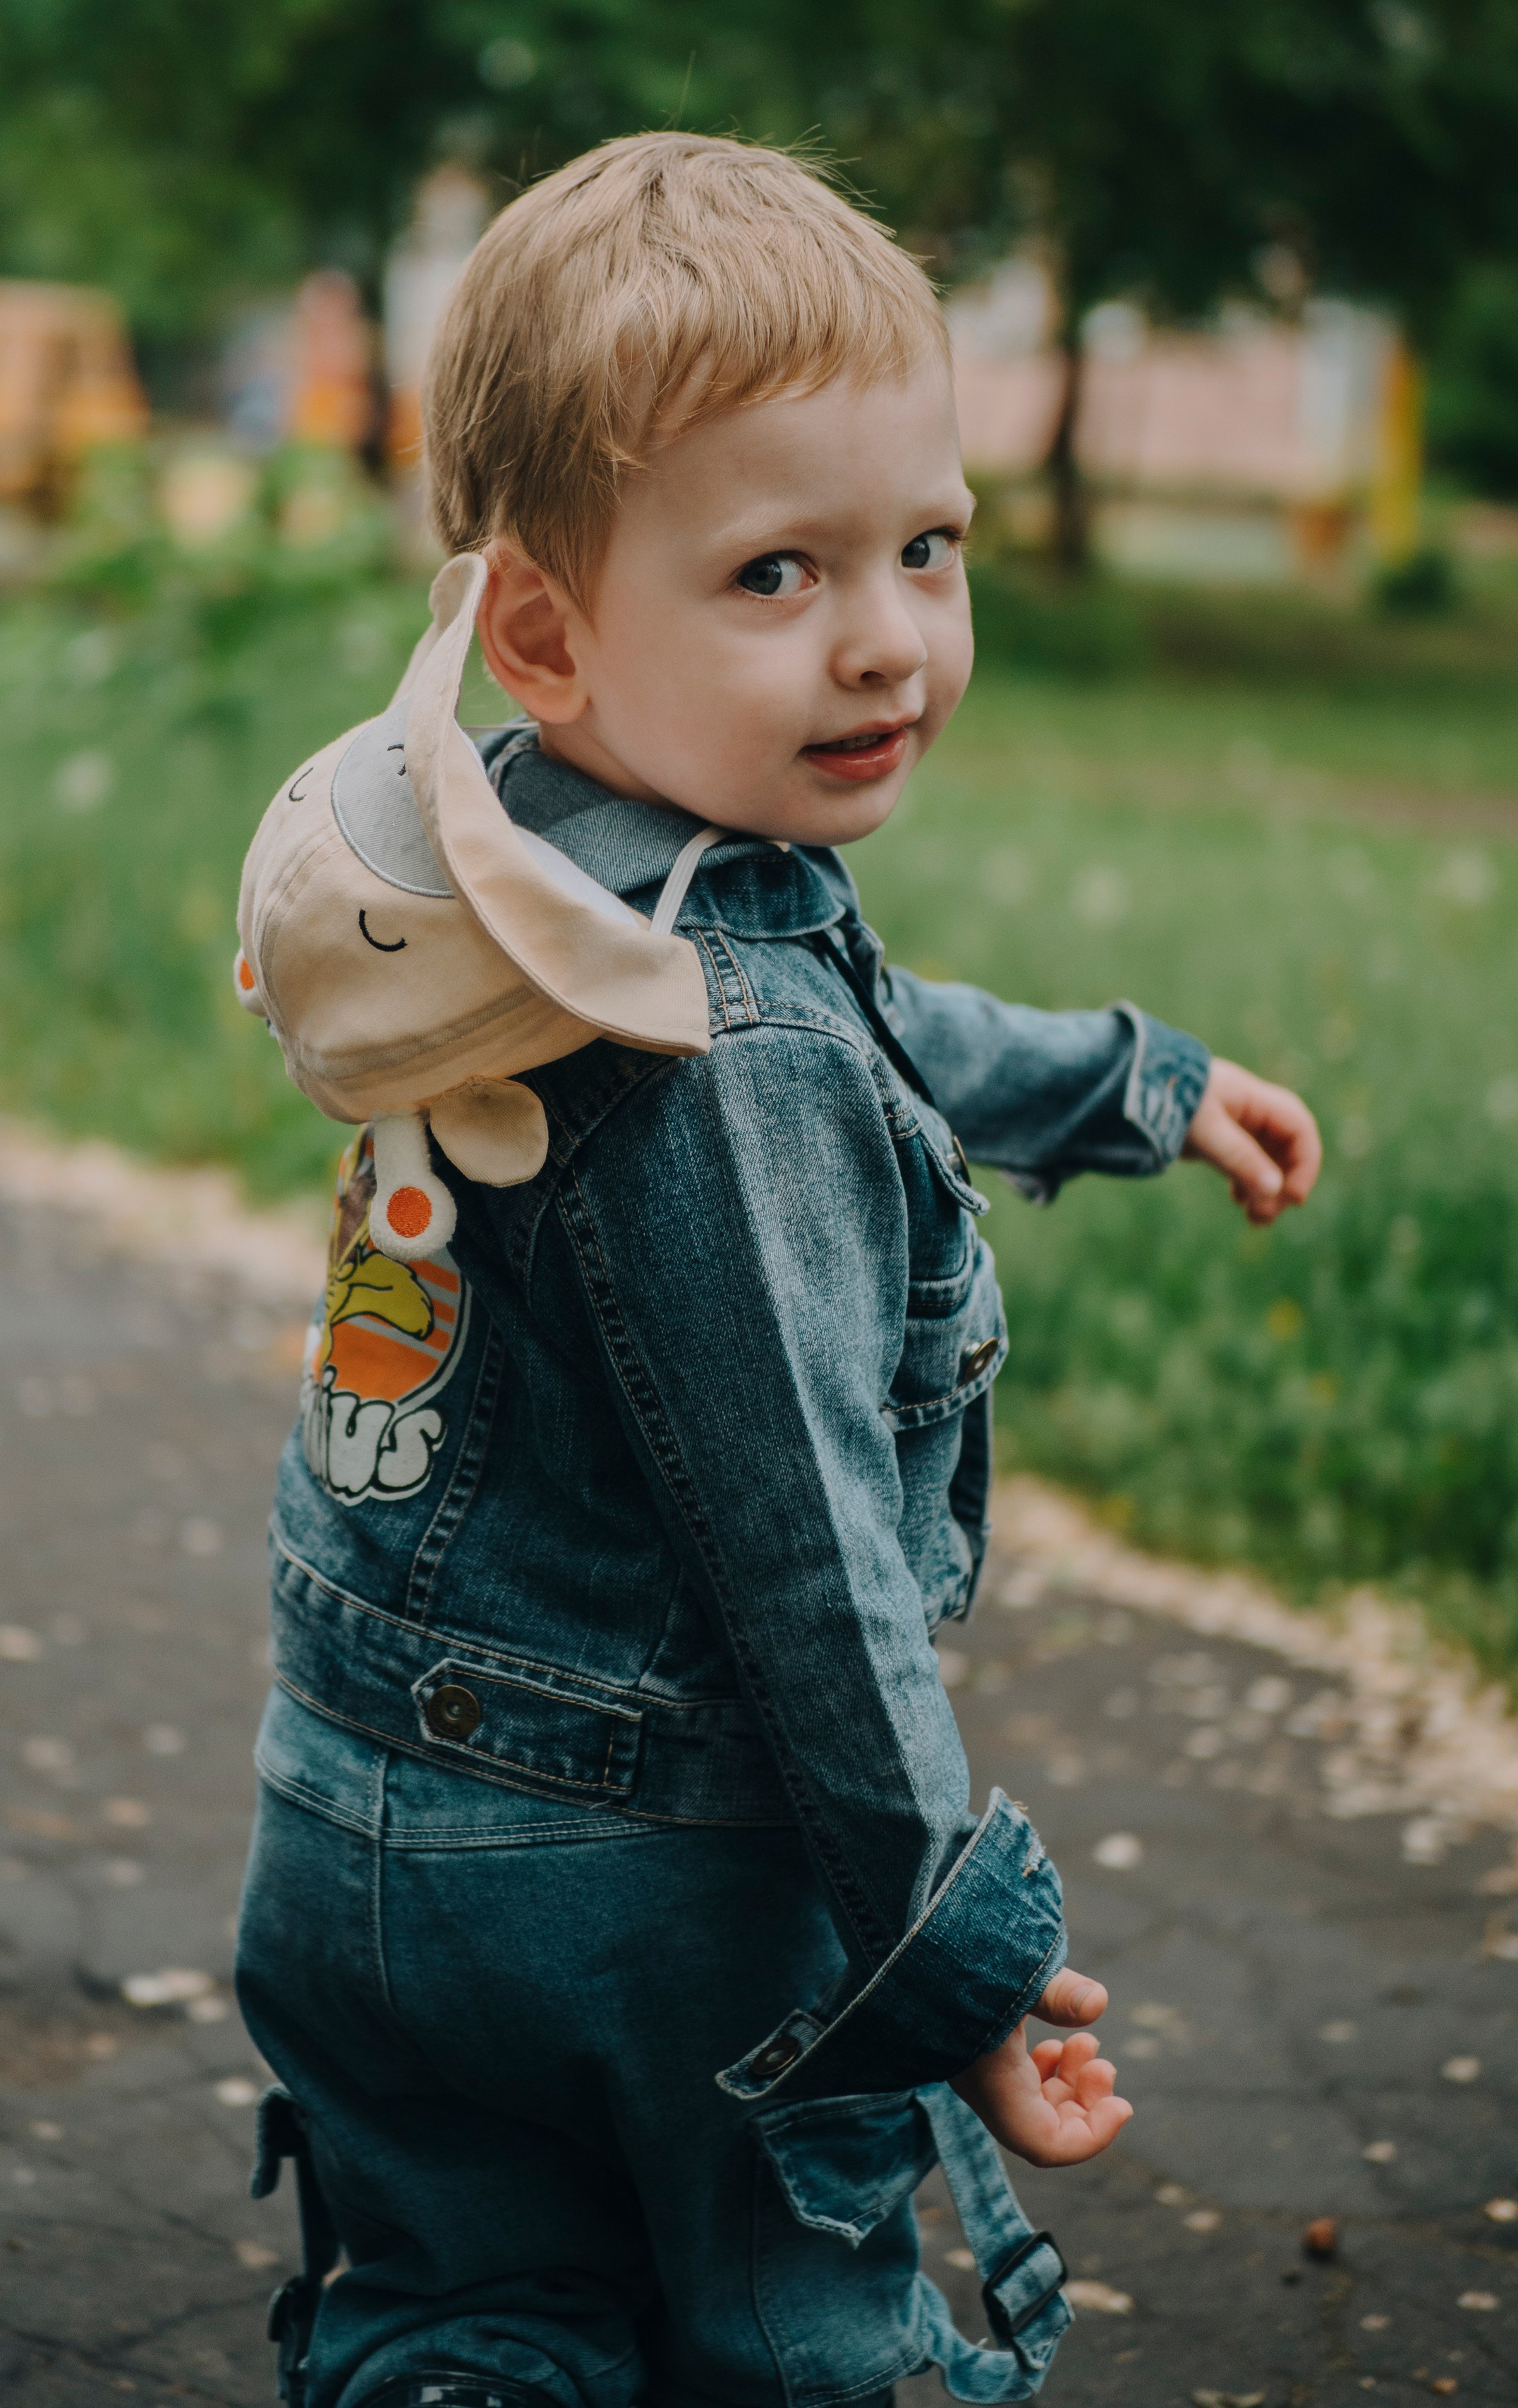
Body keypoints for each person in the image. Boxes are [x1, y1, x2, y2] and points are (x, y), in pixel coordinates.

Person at [235, 133, 1322, 2408]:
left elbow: (871, 1019)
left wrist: (1129, 1083)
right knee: (786, 2343)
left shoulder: (499, 851)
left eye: (927, 548)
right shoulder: (727, 1045)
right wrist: (951, 1964)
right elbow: (812, 1563)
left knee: (463, 2320)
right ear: (545, 623)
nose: (887, 639)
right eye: (775, 573)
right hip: (644, 1893)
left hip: (353, 1827)